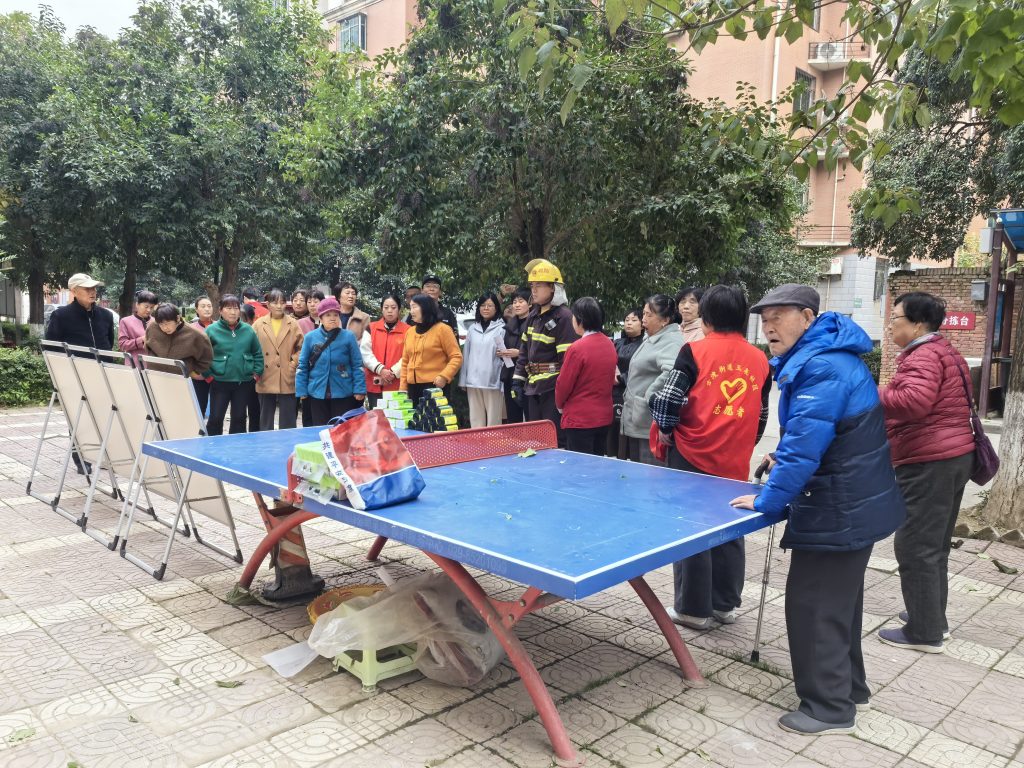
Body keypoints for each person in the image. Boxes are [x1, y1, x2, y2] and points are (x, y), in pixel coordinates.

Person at [729, 283, 905, 736]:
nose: (769, 327)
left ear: (808, 318)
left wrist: (768, 500)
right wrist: (780, 456)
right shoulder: (825, 358)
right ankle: (850, 689)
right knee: (838, 605)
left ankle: (828, 708)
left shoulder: (822, 366)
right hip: (851, 500)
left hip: (839, 506)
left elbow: (806, 449)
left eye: (779, 317)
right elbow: (820, 434)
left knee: (813, 606)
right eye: (765, 319)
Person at [648, 285, 771, 630]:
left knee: (691, 527)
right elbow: (761, 413)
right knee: (729, 525)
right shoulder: (760, 358)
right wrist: (743, 441)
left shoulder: (694, 350)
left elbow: (667, 399)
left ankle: (692, 609)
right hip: (734, 455)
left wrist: (667, 430)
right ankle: (724, 605)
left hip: (691, 453)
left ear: (707, 317)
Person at [877, 292, 975, 653]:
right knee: (934, 546)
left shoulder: (923, 355)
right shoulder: (944, 350)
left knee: (915, 546)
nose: (890, 326)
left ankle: (924, 633)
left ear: (918, 324)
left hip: (929, 461)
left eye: (895, 318)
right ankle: (932, 617)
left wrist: (870, 392)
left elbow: (913, 402)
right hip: (953, 456)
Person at [510, 259, 579, 446]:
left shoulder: (564, 317)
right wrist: (517, 381)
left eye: (539, 285)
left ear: (553, 288)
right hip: (533, 388)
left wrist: (562, 393)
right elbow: (524, 351)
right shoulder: (533, 315)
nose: (534, 290)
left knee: (555, 441)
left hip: (552, 389)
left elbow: (567, 362)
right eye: (532, 285)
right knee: (536, 441)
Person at [620, 295, 683, 464]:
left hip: (649, 422)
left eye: (649, 315)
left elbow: (672, 372)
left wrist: (649, 395)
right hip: (638, 419)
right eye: (644, 314)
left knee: (648, 472)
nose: (644, 319)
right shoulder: (652, 337)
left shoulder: (671, 341)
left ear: (665, 320)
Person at [555, 297, 616, 455]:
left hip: (580, 418)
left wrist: (560, 406)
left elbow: (564, 384)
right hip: (603, 416)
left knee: (579, 465)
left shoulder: (577, 348)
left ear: (580, 320)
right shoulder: (609, 344)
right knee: (597, 461)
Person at [295, 297, 366, 424]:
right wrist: (301, 389)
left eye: (335, 315)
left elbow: (357, 364)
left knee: (341, 429)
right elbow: (302, 365)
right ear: (321, 318)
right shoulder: (310, 337)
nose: (332, 318)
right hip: (317, 392)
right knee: (320, 428)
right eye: (328, 315)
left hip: (343, 392)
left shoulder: (348, 336)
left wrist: (359, 389)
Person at [204, 294, 264, 436]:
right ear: (220, 310)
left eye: (236, 308)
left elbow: (257, 353)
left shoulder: (248, 330)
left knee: (239, 418)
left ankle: (237, 448)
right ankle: (212, 446)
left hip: (243, 382)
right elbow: (202, 356)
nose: (233, 312)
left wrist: (256, 375)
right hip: (219, 382)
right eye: (228, 308)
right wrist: (209, 376)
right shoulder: (211, 330)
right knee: (215, 418)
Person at [252, 289, 304, 431]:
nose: (279, 306)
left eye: (282, 302)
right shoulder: (258, 324)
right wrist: (256, 367)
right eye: (275, 302)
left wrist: (292, 363)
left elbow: (302, 347)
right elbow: (251, 348)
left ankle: (287, 442)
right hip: (265, 374)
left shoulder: (293, 324)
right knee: (265, 417)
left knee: (288, 417)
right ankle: (266, 441)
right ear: (268, 304)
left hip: (286, 373)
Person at [400, 294, 463, 405]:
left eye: (414, 307)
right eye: (410, 307)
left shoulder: (443, 329)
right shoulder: (410, 332)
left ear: (425, 308)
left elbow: (456, 357)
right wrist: (403, 388)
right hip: (412, 388)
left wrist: (444, 376)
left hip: (435, 386)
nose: (411, 311)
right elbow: (405, 362)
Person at [459, 293, 506, 428]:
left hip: (492, 381)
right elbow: (466, 355)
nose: (486, 308)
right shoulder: (473, 328)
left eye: (490, 305)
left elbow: (504, 356)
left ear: (496, 308)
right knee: (475, 419)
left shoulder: (502, 328)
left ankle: (494, 442)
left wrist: (502, 381)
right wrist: (463, 380)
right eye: (483, 305)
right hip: (473, 381)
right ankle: (478, 441)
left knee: (494, 420)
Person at [45, 273, 116, 353]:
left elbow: (109, 344)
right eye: (87, 289)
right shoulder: (60, 316)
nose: (92, 292)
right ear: (74, 291)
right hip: (74, 361)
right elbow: (51, 349)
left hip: (103, 361)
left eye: (93, 288)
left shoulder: (106, 315)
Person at [144, 304, 214, 386]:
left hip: (180, 380)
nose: (164, 328)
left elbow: (206, 359)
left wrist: (193, 372)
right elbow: (147, 346)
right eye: (161, 324)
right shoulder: (153, 327)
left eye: (167, 323)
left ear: (177, 318)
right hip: (153, 376)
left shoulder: (196, 335)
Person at [361, 294, 410, 408]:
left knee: (396, 417)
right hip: (374, 384)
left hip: (397, 384)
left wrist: (393, 372)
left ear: (399, 309)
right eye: (386, 307)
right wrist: (381, 370)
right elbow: (365, 353)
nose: (389, 311)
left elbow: (409, 355)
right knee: (376, 417)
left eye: (393, 307)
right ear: (381, 309)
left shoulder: (408, 330)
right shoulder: (371, 328)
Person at [609, 307, 644, 457]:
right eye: (627, 320)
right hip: (613, 393)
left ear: (642, 324)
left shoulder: (645, 344)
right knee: (613, 432)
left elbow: (642, 370)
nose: (629, 323)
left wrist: (620, 378)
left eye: (634, 320)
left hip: (631, 392)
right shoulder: (617, 343)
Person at [500, 287, 531, 424]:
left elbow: (538, 350)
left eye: (521, 301)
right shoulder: (510, 324)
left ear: (530, 303)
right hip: (510, 374)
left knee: (530, 416)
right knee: (513, 418)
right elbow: (507, 345)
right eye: (514, 302)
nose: (517, 305)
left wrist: (518, 353)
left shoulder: (534, 322)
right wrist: (502, 353)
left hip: (528, 376)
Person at [118, 290, 158, 363]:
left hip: (153, 365)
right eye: (146, 306)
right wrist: (141, 340)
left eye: (152, 307)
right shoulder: (125, 321)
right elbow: (122, 345)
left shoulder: (156, 322)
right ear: (137, 304)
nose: (149, 310)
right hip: (134, 364)